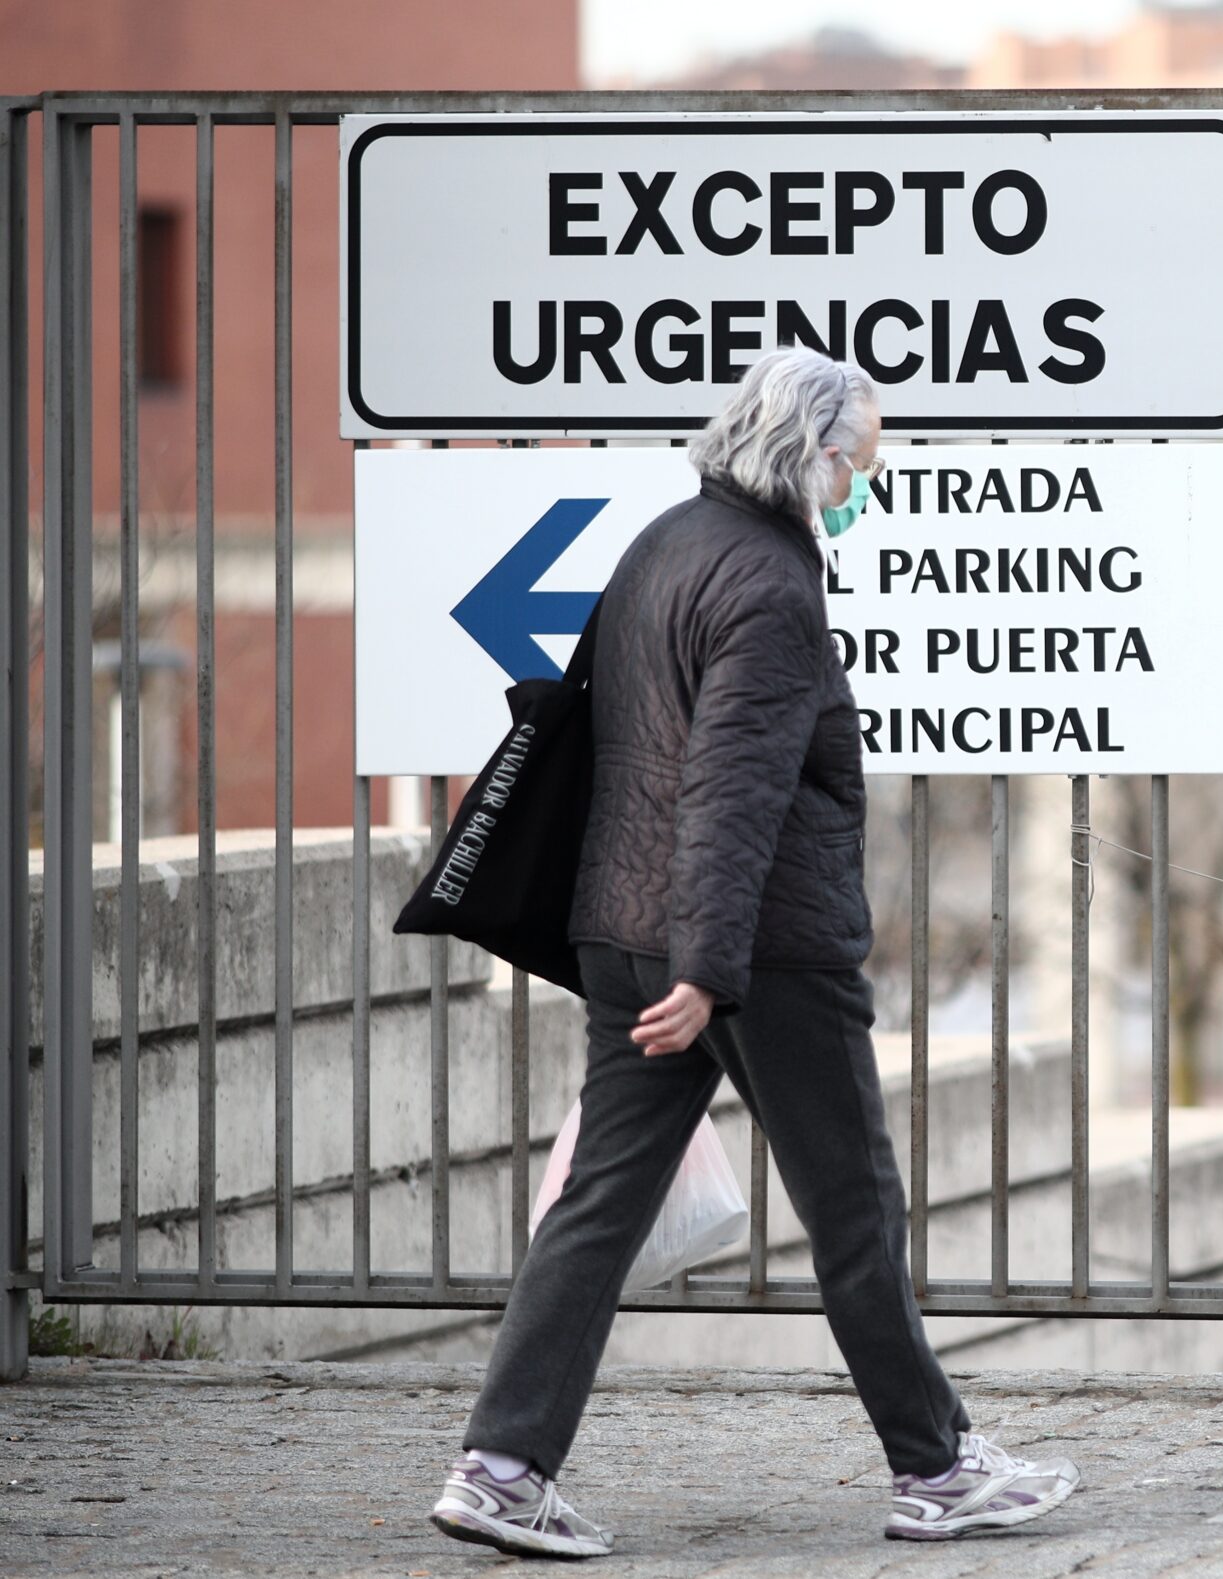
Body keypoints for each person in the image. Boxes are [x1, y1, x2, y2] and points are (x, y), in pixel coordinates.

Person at [428, 347, 1080, 1558]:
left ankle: (501, 1465)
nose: (862, 487)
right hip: (754, 954)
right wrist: (707, 971)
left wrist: (664, 956)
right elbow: (729, 792)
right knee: (850, 1206)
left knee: (597, 1203)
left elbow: (632, 761)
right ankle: (936, 1470)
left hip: (625, 933)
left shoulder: (663, 544)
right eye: (860, 464)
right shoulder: (774, 587)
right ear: (812, 454)